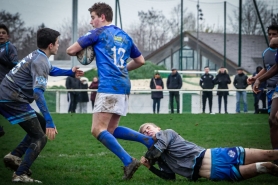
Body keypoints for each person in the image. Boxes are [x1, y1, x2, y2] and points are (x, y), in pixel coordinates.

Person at [66, 2, 155, 180]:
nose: (91, 22)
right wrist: (121, 69)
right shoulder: (124, 35)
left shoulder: (97, 32)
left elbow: (70, 50)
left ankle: (128, 161)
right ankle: (148, 140)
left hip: (109, 86)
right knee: (111, 130)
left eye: (93, 18)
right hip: (124, 85)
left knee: (97, 129)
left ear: (102, 17)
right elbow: (140, 61)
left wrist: (86, 46)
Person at [0, 28, 83, 183]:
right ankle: (20, 174)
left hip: (6, 96)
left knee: (41, 124)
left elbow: (51, 69)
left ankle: (15, 155)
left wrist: (70, 72)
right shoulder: (40, 61)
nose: (59, 46)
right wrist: (50, 120)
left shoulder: (38, 55)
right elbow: (38, 93)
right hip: (12, 99)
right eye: (58, 43)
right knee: (40, 136)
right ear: (51, 45)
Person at [139, 123, 278, 182]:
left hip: (217, 155)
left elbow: (156, 151)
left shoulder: (166, 133)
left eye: (148, 128)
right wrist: (150, 167)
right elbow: (169, 178)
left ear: (158, 128)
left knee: (269, 154)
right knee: (266, 166)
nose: (147, 132)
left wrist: (149, 155)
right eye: (144, 133)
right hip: (215, 173)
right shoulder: (160, 157)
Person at [247, 25, 278, 153]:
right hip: (272, 89)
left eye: (275, 34)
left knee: (274, 118)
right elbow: (268, 68)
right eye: (270, 34)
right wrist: (256, 78)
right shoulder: (266, 52)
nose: (272, 37)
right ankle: (275, 153)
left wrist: (260, 79)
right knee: (272, 121)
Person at [0, 24, 19, 137]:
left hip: (4, 83)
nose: (0, 34)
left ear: (8, 36)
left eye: (3, 32)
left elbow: (15, 66)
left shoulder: (9, 47)